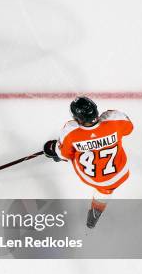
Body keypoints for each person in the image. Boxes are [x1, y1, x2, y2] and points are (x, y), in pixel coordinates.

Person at [44, 96, 133, 228]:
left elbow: (66, 155)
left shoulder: (71, 130)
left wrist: (56, 151)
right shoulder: (114, 119)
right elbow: (129, 128)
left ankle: (57, 150)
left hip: (93, 178)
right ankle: (94, 216)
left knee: (66, 153)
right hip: (120, 172)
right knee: (106, 189)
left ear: (77, 118)